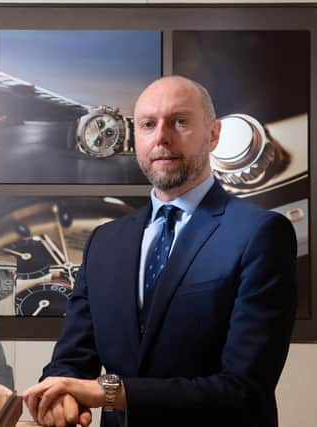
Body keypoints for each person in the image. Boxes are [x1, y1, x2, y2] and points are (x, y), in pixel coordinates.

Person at [23, 76, 298, 427]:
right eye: (148, 124)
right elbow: (72, 360)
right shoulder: (105, 242)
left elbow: (244, 390)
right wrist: (60, 393)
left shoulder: (260, 234)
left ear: (213, 134)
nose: (162, 137)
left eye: (180, 122)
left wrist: (111, 393)